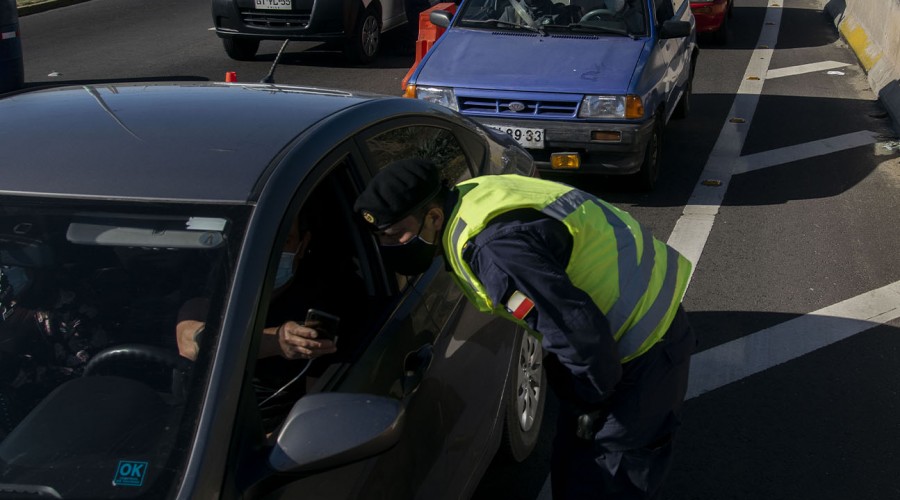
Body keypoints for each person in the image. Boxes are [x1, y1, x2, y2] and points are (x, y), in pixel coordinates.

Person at [353, 158, 697, 499]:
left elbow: (578, 335)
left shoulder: (495, 253)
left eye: (396, 234)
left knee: (607, 482)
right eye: (381, 238)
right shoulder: (471, 195)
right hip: (634, 325)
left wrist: (593, 403)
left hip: (641, 350)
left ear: (433, 216)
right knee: (578, 467)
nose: (389, 247)